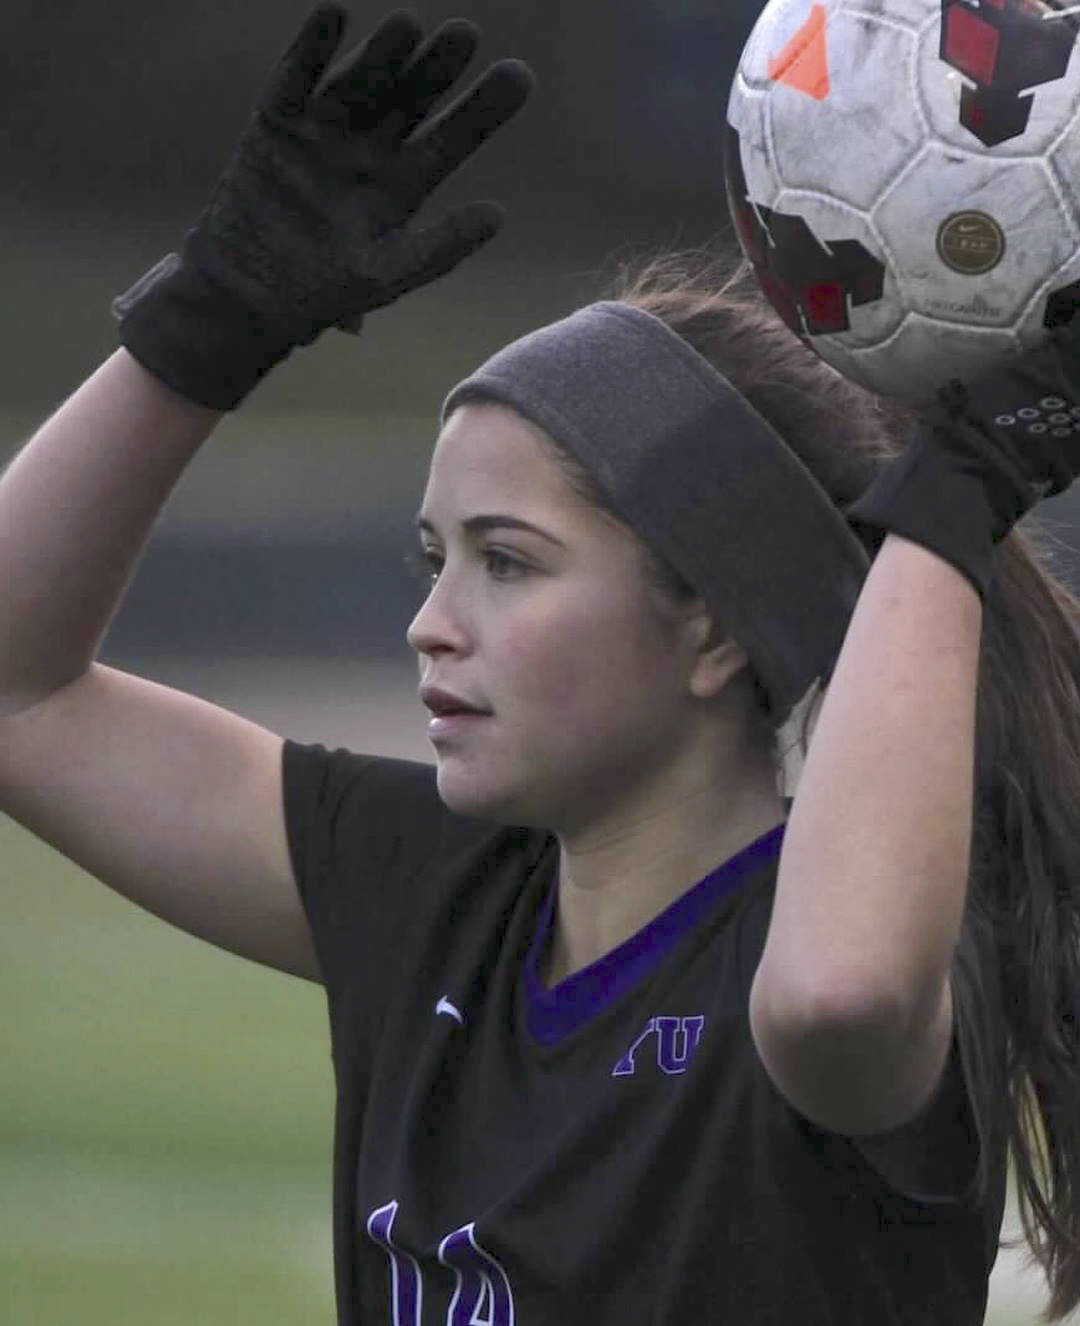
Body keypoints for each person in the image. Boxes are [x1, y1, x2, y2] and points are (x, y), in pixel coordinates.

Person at [4, 4, 1080, 1323]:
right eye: (431, 558)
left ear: (714, 623)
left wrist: (953, 504)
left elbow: (835, 995)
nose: (431, 622)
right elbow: (20, 692)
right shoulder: (435, 897)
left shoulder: (853, 953)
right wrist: (198, 331)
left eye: (506, 560)